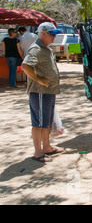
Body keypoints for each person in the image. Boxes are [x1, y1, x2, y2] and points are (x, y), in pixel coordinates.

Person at [21, 22, 62, 163]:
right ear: (43, 33)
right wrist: (39, 80)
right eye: (52, 34)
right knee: (38, 122)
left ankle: (47, 147)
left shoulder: (45, 48)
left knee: (46, 121)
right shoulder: (36, 48)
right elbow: (25, 66)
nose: (54, 37)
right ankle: (38, 152)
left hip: (48, 91)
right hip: (39, 92)